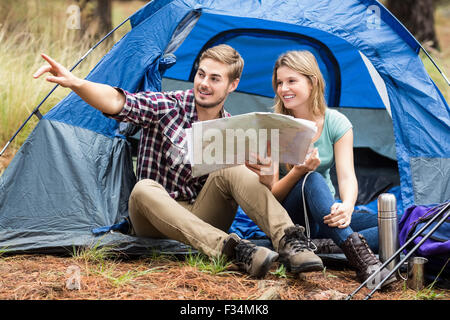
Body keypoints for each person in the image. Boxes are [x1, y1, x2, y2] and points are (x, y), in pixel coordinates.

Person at [33, 44, 324, 278]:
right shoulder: (168, 106)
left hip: (201, 216)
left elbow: (257, 185)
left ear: (232, 85)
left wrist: (262, 175)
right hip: (154, 216)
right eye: (201, 74)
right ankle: (234, 251)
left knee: (234, 168)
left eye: (214, 78)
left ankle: (290, 242)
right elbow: (119, 102)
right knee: (144, 187)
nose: (204, 83)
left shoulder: (233, 127)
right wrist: (76, 83)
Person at [246, 50, 396, 288]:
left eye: (291, 81)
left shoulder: (336, 122)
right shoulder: (273, 126)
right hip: (289, 217)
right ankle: (364, 263)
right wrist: (299, 171)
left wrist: (347, 206)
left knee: (392, 226)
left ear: (312, 81)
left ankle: (322, 245)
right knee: (312, 178)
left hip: (323, 215)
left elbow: (347, 177)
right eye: (279, 82)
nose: (283, 88)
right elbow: (272, 194)